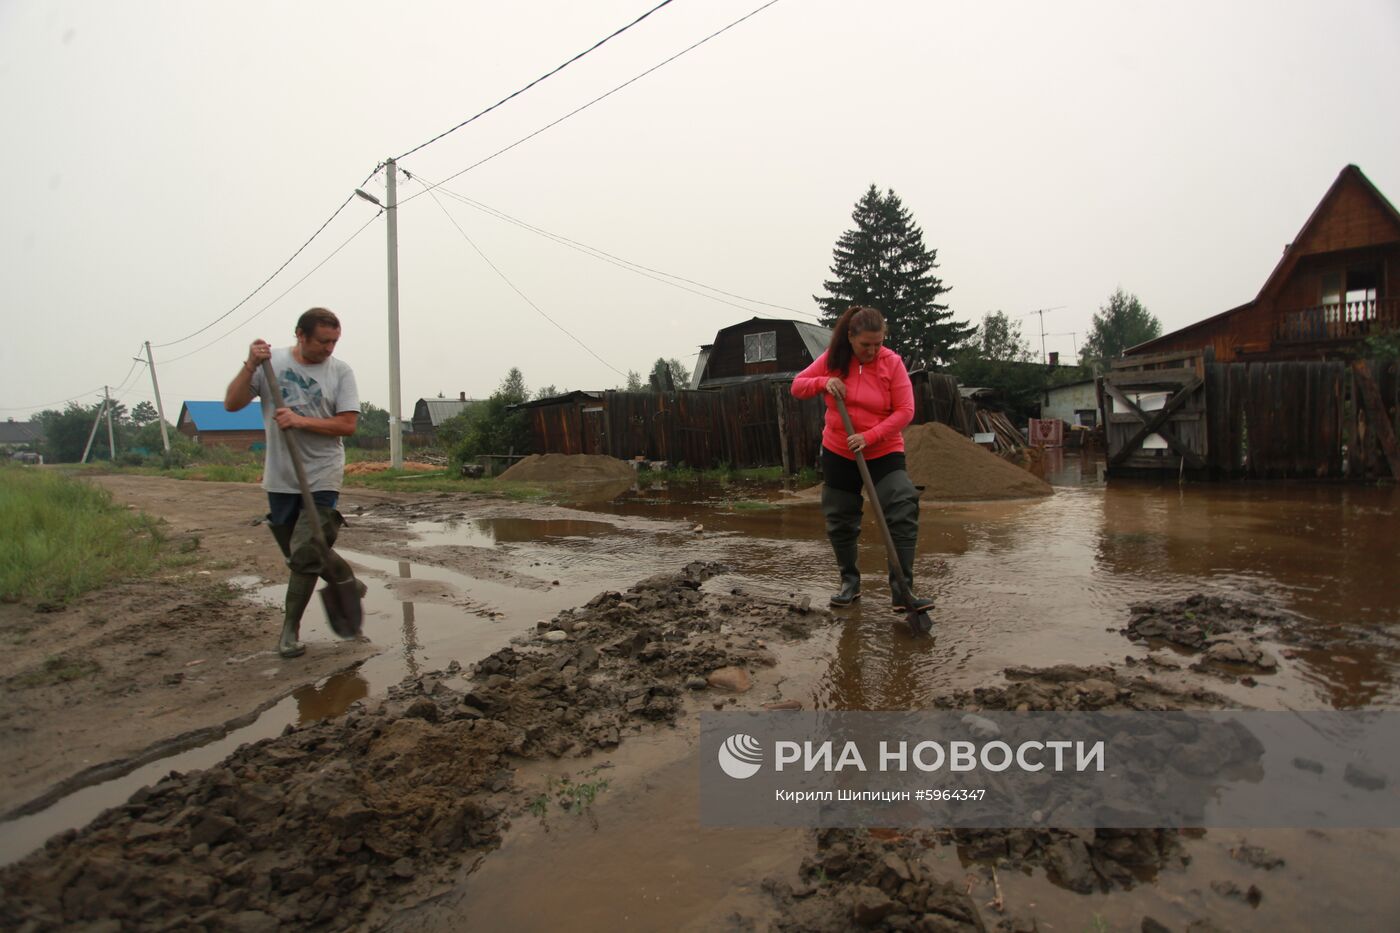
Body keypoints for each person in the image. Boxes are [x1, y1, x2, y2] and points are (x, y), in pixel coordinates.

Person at [224, 307, 363, 658]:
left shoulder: (341, 372)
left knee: (304, 553)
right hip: (281, 476)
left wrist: (300, 421)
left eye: (334, 341)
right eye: (323, 341)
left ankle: (289, 631)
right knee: (300, 554)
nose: (329, 348)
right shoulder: (275, 364)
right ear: (300, 335)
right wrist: (250, 365)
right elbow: (232, 404)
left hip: (322, 474)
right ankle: (345, 579)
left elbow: (347, 425)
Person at [791, 305, 933, 611]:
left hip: (882, 449)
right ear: (851, 337)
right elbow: (797, 386)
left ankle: (902, 590)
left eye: (877, 344)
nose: (872, 350)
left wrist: (869, 437)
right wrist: (823, 382)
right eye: (865, 344)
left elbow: (905, 411)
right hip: (839, 451)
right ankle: (849, 584)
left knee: (901, 506)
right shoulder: (833, 360)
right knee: (840, 517)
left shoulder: (891, 363)